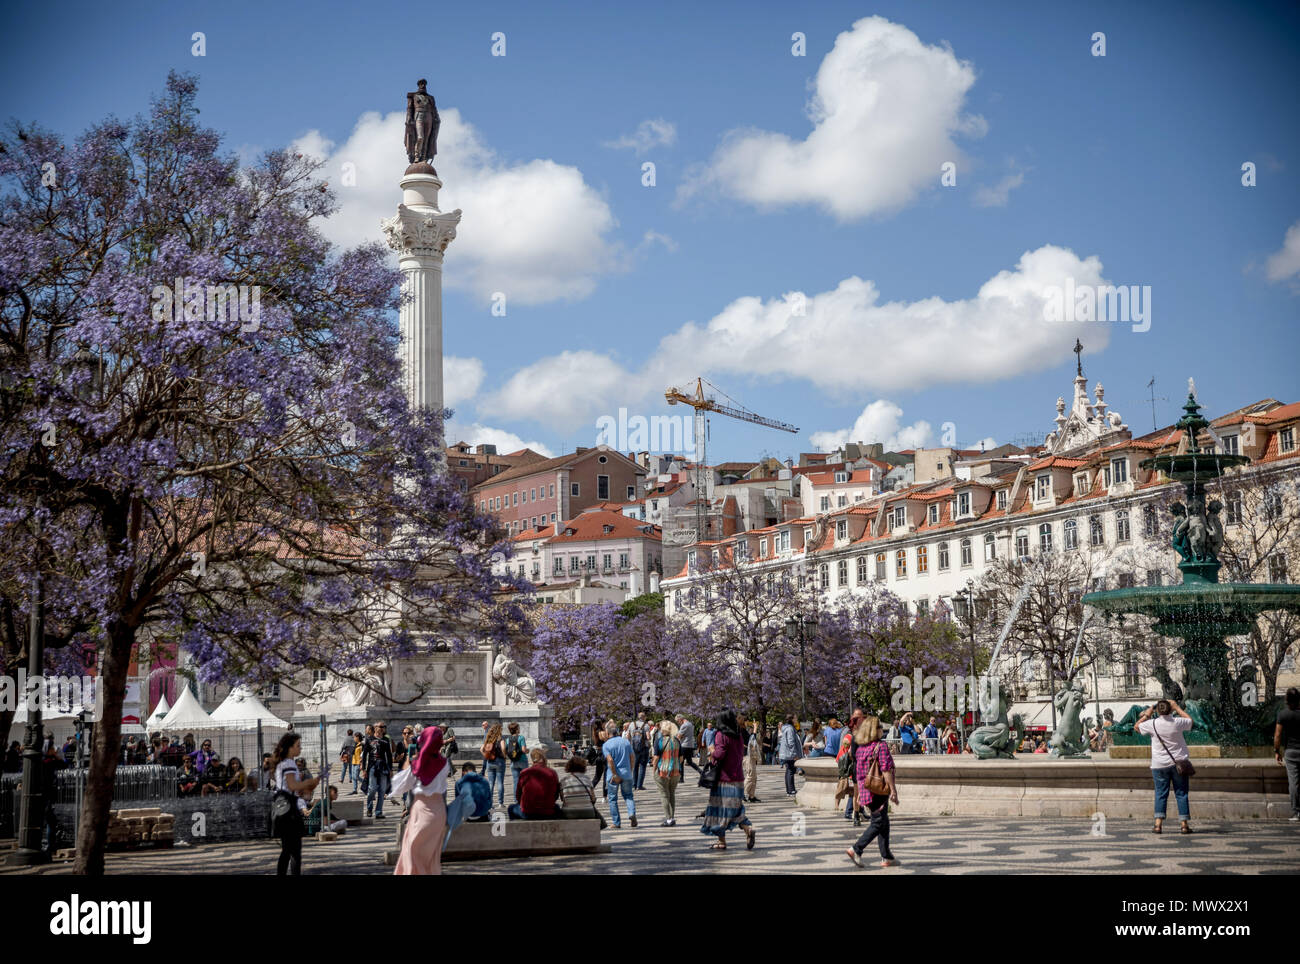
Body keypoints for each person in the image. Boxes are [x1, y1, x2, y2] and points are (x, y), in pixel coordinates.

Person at [393, 726, 450, 875]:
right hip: (439, 811)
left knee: (411, 851)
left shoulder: (417, 764)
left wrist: (409, 759)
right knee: (431, 855)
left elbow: (399, 785)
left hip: (421, 810)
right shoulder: (445, 764)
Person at [844, 715, 898, 868]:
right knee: (878, 822)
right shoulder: (880, 746)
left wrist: (861, 792)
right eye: (880, 727)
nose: (882, 729)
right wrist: (893, 790)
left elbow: (861, 774)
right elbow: (886, 769)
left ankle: (886, 856)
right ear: (875, 731)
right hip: (879, 790)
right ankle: (856, 849)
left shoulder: (861, 749)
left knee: (883, 821)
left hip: (868, 790)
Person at [700, 708, 756, 851]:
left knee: (719, 809)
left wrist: (712, 750)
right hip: (738, 778)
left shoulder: (721, 735)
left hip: (724, 779)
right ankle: (744, 830)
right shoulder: (738, 735)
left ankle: (727, 838)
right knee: (735, 809)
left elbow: (719, 754)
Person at [1136, 699, 1194, 834]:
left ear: (1158, 711)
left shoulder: (1152, 723)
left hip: (1159, 765)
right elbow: (1190, 721)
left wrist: (1147, 714)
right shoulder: (1177, 722)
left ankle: (1158, 824)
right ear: (1170, 710)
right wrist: (1177, 708)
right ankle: (1184, 825)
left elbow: (1137, 727)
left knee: (1160, 794)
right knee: (1181, 793)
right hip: (1178, 764)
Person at [270, 732, 318, 875]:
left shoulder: (282, 763)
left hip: (282, 808)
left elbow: (289, 788)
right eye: (298, 745)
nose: (300, 748)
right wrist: (310, 782)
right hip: (289, 812)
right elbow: (292, 785)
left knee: (287, 851)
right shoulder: (289, 763)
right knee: (294, 851)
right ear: (290, 748)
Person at [602, 719, 637, 828]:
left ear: (608, 733)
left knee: (612, 799)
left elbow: (610, 760)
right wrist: (630, 770)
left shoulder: (606, 745)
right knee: (628, 796)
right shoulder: (625, 742)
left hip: (613, 775)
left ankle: (616, 822)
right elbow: (632, 757)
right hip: (627, 773)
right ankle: (631, 813)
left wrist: (615, 774)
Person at [509, 748, 559, 820]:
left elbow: (518, 795)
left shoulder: (524, 772)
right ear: (544, 758)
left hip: (528, 812)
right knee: (557, 808)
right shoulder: (552, 772)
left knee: (511, 808)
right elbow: (556, 795)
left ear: (532, 759)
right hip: (548, 812)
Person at [650, 718, 682, 825]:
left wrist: (654, 771)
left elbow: (655, 759)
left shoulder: (659, 741)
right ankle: (672, 817)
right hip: (676, 771)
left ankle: (668, 819)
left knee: (664, 795)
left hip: (663, 771)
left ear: (662, 730)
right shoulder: (677, 741)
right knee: (672, 794)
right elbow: (681, 758)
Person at [1275, 687, 1300, 822]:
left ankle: (1296, 812)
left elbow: (1277, 735)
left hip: (1291, 752)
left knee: (1293, 782)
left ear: (1286, 700)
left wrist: (1276, 751)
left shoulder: (1283, 715)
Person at [558, 756, 604, 826]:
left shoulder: (563, 780)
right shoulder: (587, 779)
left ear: (568, 767)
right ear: (583, 767)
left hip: (569, 812)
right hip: (588, 812)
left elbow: (562, 799)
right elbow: (593, 798)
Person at [363, 721, 394, 818]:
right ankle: (369, 807)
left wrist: (391, 769)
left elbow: (389, 755)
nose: (382, 728)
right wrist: (364, 768)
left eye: (383, 727)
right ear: (375, 727)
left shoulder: (385, 740)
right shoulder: (369, 739)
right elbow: (364, 755)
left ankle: (378, 812)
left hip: (383, 766)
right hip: (372, 766)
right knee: (372, 788)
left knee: (382, 790)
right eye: (380, 726)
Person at [480, 723, 507, 807]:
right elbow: (503, 748)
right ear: (499, 730)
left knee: (491, 783)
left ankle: (490, 803)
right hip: (499, 761)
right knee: (500, 783)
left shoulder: (488, 739)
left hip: (490, 762)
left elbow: (481, 749)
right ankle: (500, 803)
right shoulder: (500, 739)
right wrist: (504, 755)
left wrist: (486, 756)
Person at [778, 714, 803, 796]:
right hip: (789, 754)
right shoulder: (790, 729)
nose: (796, 720)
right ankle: (791, 790)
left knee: (789, 770)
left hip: (787, 753)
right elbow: (791, 742)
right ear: (792, 719)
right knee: (791, 771)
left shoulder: (787, 728)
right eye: (795, 718)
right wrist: (794, 754)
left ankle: (789, 790)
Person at [503, 722, 529, 798]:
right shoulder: (521, 738)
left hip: (513, 762)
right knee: (525, 780)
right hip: (522, 760)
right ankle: (525, 798)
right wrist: (528, 751)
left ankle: (516, 799)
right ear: (517, 730)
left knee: (516, 781)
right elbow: (524, 750)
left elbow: (504, 750)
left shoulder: (508, 739)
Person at [742, 720, 762, 803]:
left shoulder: (744, 730)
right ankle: (742, 794)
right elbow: (750, 741)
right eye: (746, 721)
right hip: (747, 756)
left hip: (750, 755)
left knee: (754, 777)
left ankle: (751, 795)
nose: (747, 723)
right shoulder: (741, 731)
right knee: (750, 775)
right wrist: (755, 729)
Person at [631, 713, 651, 790]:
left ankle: (634, 785)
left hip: (634, 749)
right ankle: (639, 785)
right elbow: (648, 737)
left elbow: (628, 736)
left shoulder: (632, 724)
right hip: (644, 748)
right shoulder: (646, 725)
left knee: (635, 767)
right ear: (644, 717)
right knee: (642, 766)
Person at [588, 721, 608, 793]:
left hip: (599, 754)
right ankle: (605, 795)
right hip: (604, 753)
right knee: (606, 776)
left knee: (597, 776)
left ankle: (590, 789)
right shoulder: (601, 732)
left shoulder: (595, 732)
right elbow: (606, 740)